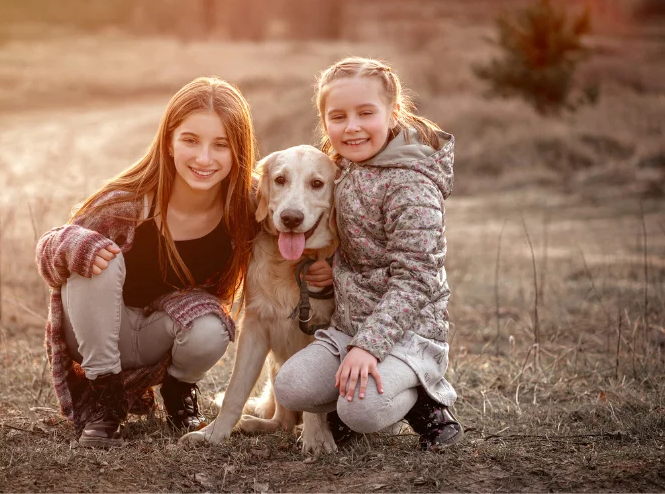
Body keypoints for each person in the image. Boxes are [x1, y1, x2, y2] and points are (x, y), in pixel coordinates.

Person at [36, 77, 259, 448]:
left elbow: (291, 239)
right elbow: (49, 252)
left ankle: (178, 391)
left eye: (221, 145)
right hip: (99, 334)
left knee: (210, 326)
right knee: (94, 255)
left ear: (239, 152)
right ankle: (105, 403)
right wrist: (76, 243)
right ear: (169, 141)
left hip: (166, 335)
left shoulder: (245, 207)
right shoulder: (127, 202)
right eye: (190, 140)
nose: (204, 159)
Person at [274, 57, 464, 451]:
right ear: (324, 120)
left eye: (365, 113)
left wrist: (368, 347)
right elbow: (358, 248)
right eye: (338, 116)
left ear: (392, 113)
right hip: (351, 326)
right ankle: (356, 398)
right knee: (290, 388)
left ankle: (424, 399)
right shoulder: (338, 169)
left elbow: (416, 279)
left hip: (410, 333)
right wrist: (333, 267)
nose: (352, 126)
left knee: (360, 411)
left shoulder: (411, 186)